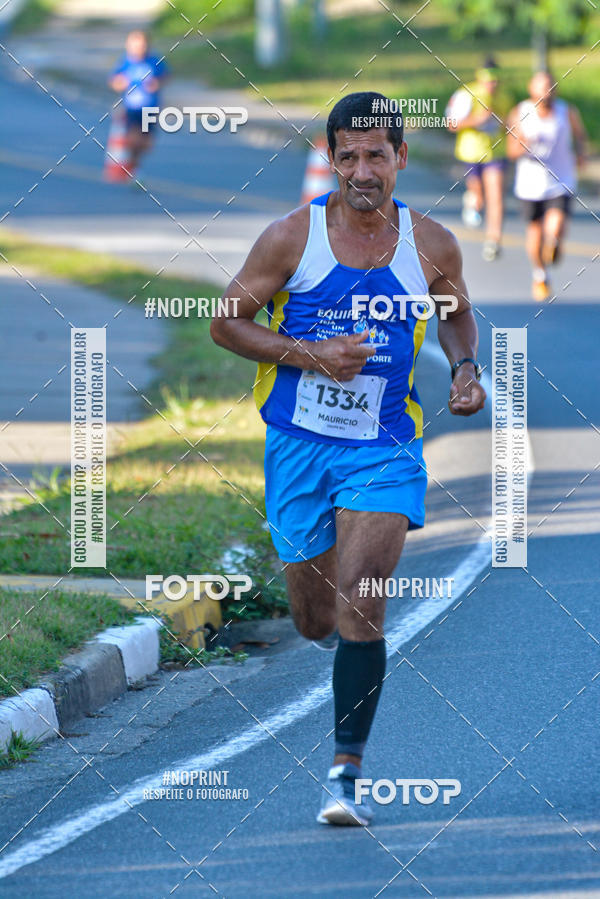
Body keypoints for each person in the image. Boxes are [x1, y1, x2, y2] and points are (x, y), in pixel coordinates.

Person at [210, 92, 486, 826]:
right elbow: (226, 323)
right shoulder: (287, 239)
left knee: (362, 603)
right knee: (315, 617)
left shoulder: (432, 244)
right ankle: (337, 650)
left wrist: (465, 371)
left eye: (377, 154)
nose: (363, 169)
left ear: (400, 157)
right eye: (349, 155)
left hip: (385, 449)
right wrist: (311, 353)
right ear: (330, 159)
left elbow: (456, 312)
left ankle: (345, 772)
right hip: (298, 447)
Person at [507, 71, 587, 302]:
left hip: (560, 180)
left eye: (550, 87)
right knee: (535, 232)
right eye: (541, 87)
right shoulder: (520, 113)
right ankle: (540, 275)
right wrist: (522, 145)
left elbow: (581, 136)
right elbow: (512, 151)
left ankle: (554, 244)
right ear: (531, 89)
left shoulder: (567, 111)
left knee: (557, 224)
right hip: (530, 184)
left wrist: (581, 153)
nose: (546, 92)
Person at [446, 57, 511, 261]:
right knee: (480, 196)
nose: (493, 85)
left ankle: (494, 241)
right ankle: (473, 199)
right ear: (480, 78)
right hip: (471, 153)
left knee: (496, 196)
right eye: (489, 80)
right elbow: (451, 123)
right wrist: (477, 120)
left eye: (496, 81)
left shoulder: (505, 98)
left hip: (496, 153)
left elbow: (510, 124)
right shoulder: (466, 94)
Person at [109, 30, 169, 175]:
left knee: (146, 143)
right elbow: (114, 81)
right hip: (131, 107)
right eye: (135, 45)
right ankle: (134, 167)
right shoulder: (125, 62)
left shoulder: (154, 61)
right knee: (133, 139)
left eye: (142, 45)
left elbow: (166, 76)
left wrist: (157, 83)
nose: (138, 49)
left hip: (150, 107)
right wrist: (121, 83)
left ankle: (135, 162)